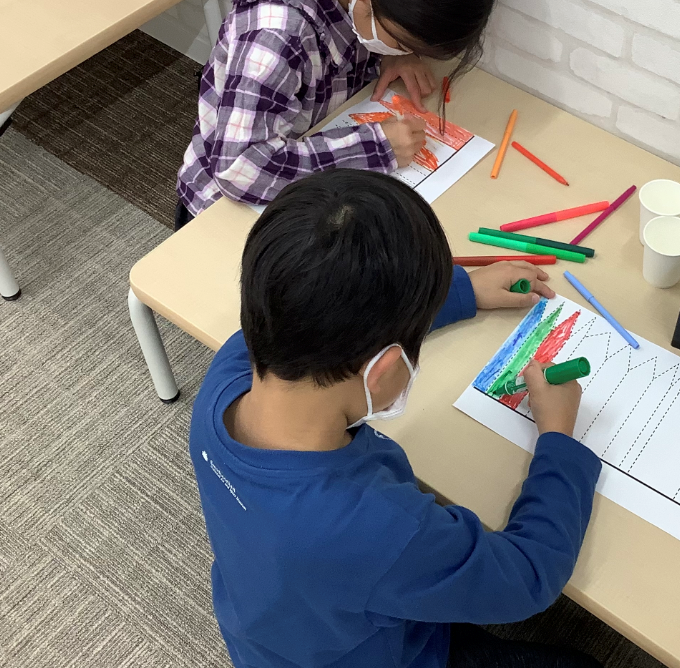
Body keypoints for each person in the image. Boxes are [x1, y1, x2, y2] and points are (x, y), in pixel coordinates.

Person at [189, 169, 602, 668]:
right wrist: (558, 437)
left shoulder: (228, 378)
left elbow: (324, 304)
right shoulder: (382, 528)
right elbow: (528, 577)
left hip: (280, 637)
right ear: (383, 371)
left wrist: (461, 290)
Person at [175, 0, 501, 228]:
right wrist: (377, 148)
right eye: (402, 42)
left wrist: (396, 53)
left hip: (311, 158)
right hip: (225, 212)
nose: (404, 50)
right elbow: (239, 170)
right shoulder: (278, 32)